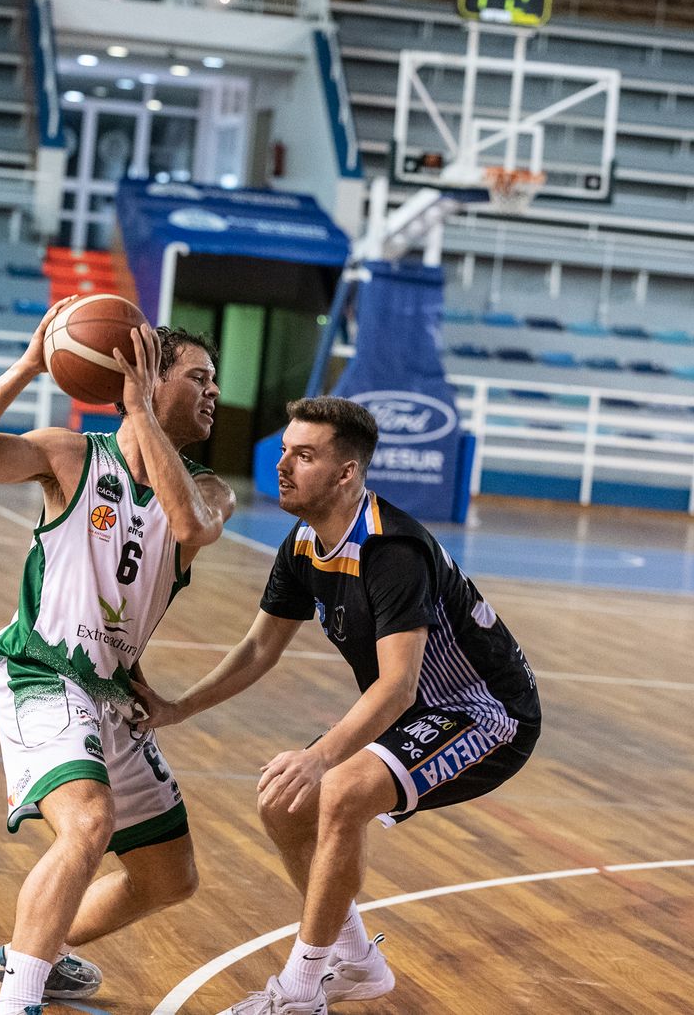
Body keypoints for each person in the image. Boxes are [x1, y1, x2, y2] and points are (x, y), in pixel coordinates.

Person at [135, 395, 542, 1015]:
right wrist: (177, 707)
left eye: (304, 455)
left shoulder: (390, 551)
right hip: (419, 709)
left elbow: (398, 686)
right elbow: (257, 649)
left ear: (346, 473)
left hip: (486, 713)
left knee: (342, 791)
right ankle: (357, 964)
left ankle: (299, 994)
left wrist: (322, 757)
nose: (283, 465)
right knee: (285, 803)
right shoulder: (303, 544)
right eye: (284, 450)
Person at [0, 306, 235, 1015]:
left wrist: (143, 415)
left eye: (214, 379)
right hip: (41, 671)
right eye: (199, 376)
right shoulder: (70, 456)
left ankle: (29, 954)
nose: (214, 391)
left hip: (113, 691)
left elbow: (187, 523)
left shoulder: (207, 491)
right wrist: (29, 366)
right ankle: (16, 1005)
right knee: (88, 822)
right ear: (147, 377)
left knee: (169, 878)